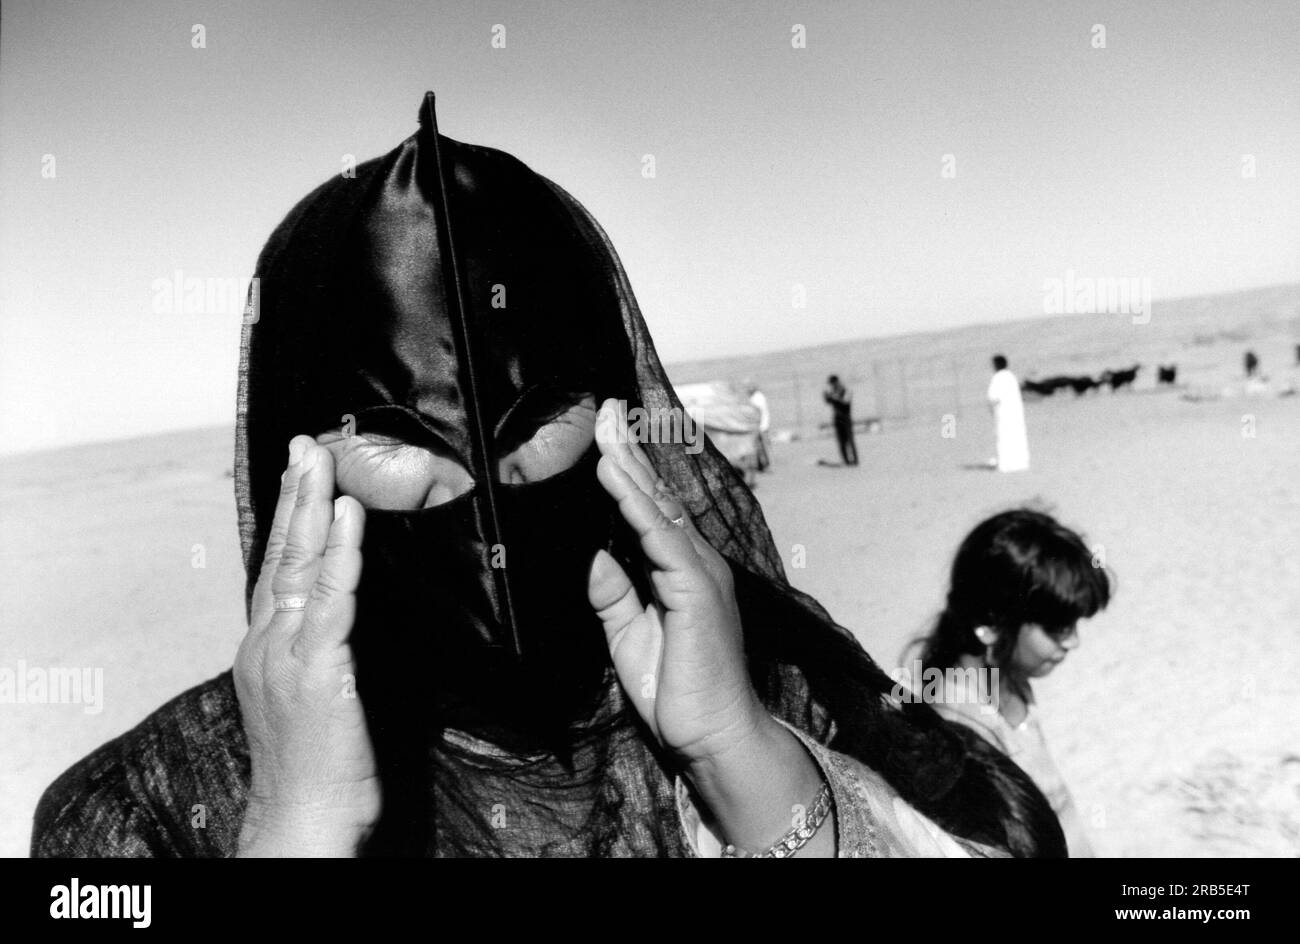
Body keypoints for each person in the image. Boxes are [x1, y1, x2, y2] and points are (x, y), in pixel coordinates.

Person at [32, 93, 1064, 858]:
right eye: (399, 442)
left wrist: (736, 757)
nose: (485, 493)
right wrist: (296, 827)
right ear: (297, 459)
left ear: (620, 409)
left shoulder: (748, 675)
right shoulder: (142, 810)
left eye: (543, 417)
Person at [907, 509, 1111, 857]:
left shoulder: (1007, 680)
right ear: (990, 624)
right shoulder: (959, 729)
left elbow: (1058, 805)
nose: (1072, 641)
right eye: (1056, 627)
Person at [986, 355, 1029, 472]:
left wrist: (991, 408)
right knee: (1017, 437)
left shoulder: (998, 377)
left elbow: (992, 397)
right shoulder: (1011, 376)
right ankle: (1020, 463)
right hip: (1016, 413)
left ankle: (1004, 464)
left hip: (1003, 413)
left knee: (1004, 437)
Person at [823, 374, 858, 466]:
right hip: (837, 418)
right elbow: (830, 402)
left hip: (845, 418)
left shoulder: (845, 390)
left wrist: (834, 398)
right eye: (831, 384)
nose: (832, 385)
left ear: (837, 382)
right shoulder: (833, 392)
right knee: (841, 442)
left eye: (833, 383)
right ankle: (846, 461)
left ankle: (855, 461)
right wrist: (827, 398)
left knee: (849, 440)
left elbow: (845, 403)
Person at [745, 380, 771, 471]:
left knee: (762, 446)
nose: (746, 390)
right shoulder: (756, 397)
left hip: (760, 426)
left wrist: (757, 425)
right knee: (759, 446)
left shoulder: (757, 398)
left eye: (748, 387)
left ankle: (765, 465)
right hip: (760, 425)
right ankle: (762, 465)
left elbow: (758, 412)